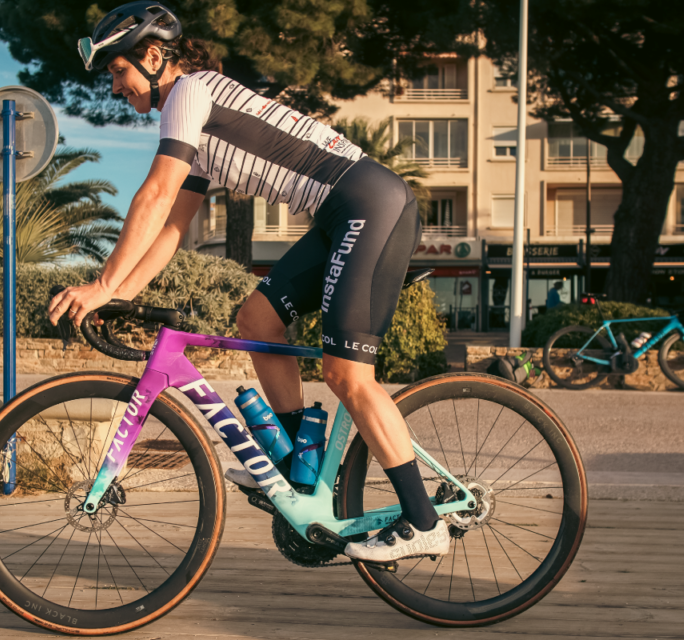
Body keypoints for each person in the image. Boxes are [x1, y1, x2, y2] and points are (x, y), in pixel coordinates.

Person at [48, 1, 449, 563]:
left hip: (370, 204)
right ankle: (297, 467)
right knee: (256, 319)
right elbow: (172, 229)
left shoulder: (189, 95)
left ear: (155, 57)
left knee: (346, 375)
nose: (115, 87)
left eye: (118, 70)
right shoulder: (192, 119)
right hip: (343, 214)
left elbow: (154, 195)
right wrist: (119, 294)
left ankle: (423, 521)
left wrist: (100, 283)